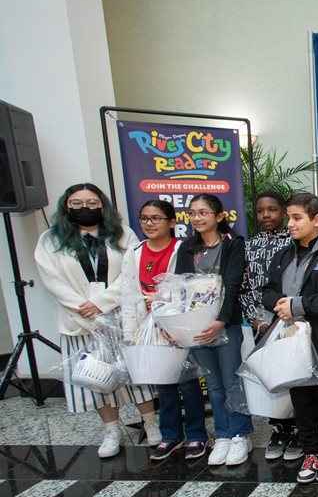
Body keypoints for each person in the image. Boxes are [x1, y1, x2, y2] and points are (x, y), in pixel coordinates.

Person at [34, 183, 158, 458]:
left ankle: (151, 424)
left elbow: (132, 270)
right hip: (79, 320)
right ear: (66, 206)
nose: (85, 208)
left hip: (119, 315)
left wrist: (100, 303)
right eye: (77, 203)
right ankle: (111, 430)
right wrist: (83, 306)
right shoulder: (50, 240)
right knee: (96, 376)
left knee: (136, 374)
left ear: (103, 205)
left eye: (91, 202)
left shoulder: (122, 234)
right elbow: (51, 279)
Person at [263, 193, 318, 483]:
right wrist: (278, 302)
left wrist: (298, 305)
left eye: (296, 217)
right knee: (301, 401)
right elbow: (267, 291)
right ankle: (311, 451)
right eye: (289, 217)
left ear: (316, 220)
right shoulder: (283, 256)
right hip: (290, 345)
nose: (289, 223)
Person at [122, 200, 207, 462]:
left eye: (156, 218)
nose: (149, 223)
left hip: (177, 327)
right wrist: (131, 334)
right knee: (164, 386)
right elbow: (127, 294)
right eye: (145, 218)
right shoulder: (134, 252)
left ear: (172, 222)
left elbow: (193, 288)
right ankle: (171, 435)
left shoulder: (184, 250)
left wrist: (159, 298)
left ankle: (197, 435)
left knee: (188, 384)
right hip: (147, 330)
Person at [174, 193, 251, 466]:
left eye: (203, 212)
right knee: (214, 384)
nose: (197, 218)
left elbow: (232, 284)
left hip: (224, 323)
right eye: (193, 213)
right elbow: (181, 287)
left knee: (232, 380)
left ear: (219, 217)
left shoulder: (232, 244)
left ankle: (241, 434)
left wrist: (220, 319)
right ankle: (223, 434)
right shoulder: (186, 248)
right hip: (197, 326)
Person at [239, 191, 300, 462]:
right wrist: (257, 320)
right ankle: (278, 428)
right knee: (270, 377)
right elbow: (244, 289)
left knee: (295, 376)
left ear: (284, 212)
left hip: (292, 321)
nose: (266, 215)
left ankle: (299, 427)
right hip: (261, 324)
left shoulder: (296, 241)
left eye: (272, 210)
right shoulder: (249, 246)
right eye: (261, 210)